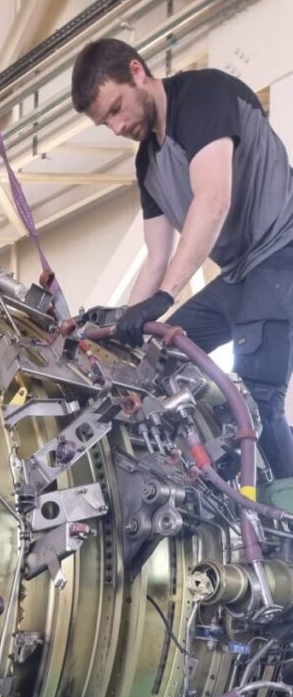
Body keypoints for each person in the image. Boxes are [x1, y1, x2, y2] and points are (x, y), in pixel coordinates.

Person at [71, 37, 293, 479]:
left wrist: (164, 297)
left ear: (138, 72)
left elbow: (212, 200)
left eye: (116, 109)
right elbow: (156, 256)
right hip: (241, 276)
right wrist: (120, 333)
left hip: (283, 251)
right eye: (104, 123)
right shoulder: (147, 162)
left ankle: (282, 519)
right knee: (162, 354)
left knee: (256, 394)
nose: (116, 127)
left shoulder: (204, 96)